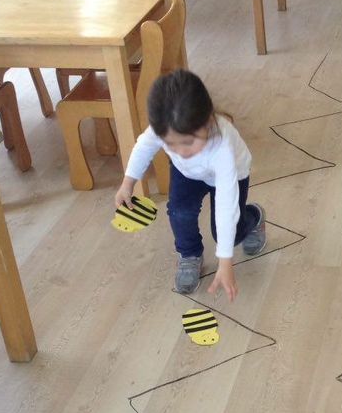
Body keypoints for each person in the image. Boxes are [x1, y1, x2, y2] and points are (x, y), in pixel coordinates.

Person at [114, 69, 266, 300]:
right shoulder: (165, 127)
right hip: (188, 174)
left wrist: (225, 262)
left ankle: (253, 217)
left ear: (207, 122)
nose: (181, 152)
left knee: (227, 232)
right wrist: (128, 183)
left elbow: (226, 206)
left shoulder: (221, 147)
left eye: (187, 142)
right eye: (170, 144)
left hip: (230, 176)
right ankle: (190, 254)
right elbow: (144, 147)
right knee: (179, 212)